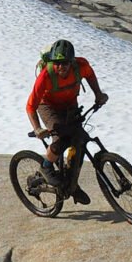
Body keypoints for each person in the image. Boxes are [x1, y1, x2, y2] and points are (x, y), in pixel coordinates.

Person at [25, 38, 107, 204]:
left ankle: (71, 185)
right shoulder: (46, 76)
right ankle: (46, 166)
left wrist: (98, 94)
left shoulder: (81, 66)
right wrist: (38, 128)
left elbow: (90, 75)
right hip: (48, 106)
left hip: (69, 104)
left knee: (79, 140)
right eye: (57, 63)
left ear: (72, 62)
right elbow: (30, 106)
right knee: (62, 138)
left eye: (65, 63)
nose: (61, 67)